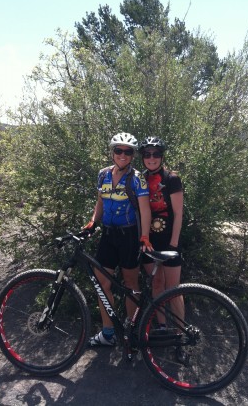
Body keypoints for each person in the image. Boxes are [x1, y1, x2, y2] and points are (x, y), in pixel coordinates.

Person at [84, 132, 153, 346]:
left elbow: (145, 209)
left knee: (131, 284)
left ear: (132, 155)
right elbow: (101, 203)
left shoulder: (137, 177)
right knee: (102, 283)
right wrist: (92, 222)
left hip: (129, 235)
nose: (123, 155)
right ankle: (108, 333)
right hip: (107, 235)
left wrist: (145, 236)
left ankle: (132, 329)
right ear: (112, 152)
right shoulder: (103, 174)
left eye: (128, 151)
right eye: (118, 150)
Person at [138, 136, 184, 331]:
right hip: (149, 239)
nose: (151, 158)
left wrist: (173, 244)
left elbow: (178, 213)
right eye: (147, 154)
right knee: (157, 284)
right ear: (142, 157)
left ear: (162, 156)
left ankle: (181, 330)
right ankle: (162, 326)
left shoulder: (172, 179)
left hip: (169, 239)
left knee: (173, 289)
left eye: (156, 154)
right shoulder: (140, 178)